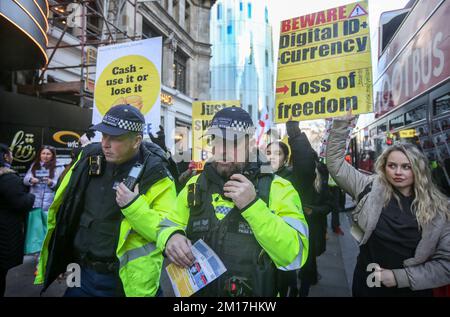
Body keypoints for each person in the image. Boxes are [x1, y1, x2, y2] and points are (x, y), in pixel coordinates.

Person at [158, 107, 309, 297]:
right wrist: (171, 237)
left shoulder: (278, 188)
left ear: (252, 145)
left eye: (232, 143)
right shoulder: (195, 183)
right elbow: (166, 224)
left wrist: (253, 207)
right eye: (217, 141)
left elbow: (295, 256)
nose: (221, 151)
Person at [35, 104, 178, 297]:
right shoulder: (88, 158)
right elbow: (69, 212)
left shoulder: (156, 173)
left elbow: (166, 229)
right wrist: (61, 259)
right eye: (103, 136)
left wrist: (133, 206)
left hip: (124, 281)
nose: (105, 143)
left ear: (136, 141)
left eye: (115, 138)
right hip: (80, 272)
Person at [326, 115, 450, 297]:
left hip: (412, 289)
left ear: (418, 170)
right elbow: (335, 164)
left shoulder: (440, 208)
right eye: (392, 166)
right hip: (368, 283)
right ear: (384, 167)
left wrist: (399, 277)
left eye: (406, 167)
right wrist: (341, 124)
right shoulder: (368, 187)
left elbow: (446, 264)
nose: (398, 172)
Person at [0, 144, 35, 296]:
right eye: (11, 153)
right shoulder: (8, 178)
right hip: (4, 233)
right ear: (6, 156)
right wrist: (31, 196)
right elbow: (22, 203)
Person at [23, 145, 64, 260]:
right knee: (36, 233)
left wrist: (51, 182)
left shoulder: (59, 167)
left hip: (49, 205)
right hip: (35, 205)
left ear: (52, 155)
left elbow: (61, 185)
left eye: (48, 154)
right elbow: (25, 179)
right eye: (43, 153)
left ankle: (47, 257)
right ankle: (38, 258)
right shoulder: (34, 165)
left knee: (47, 233)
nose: (45, 156)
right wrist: (31, 180)